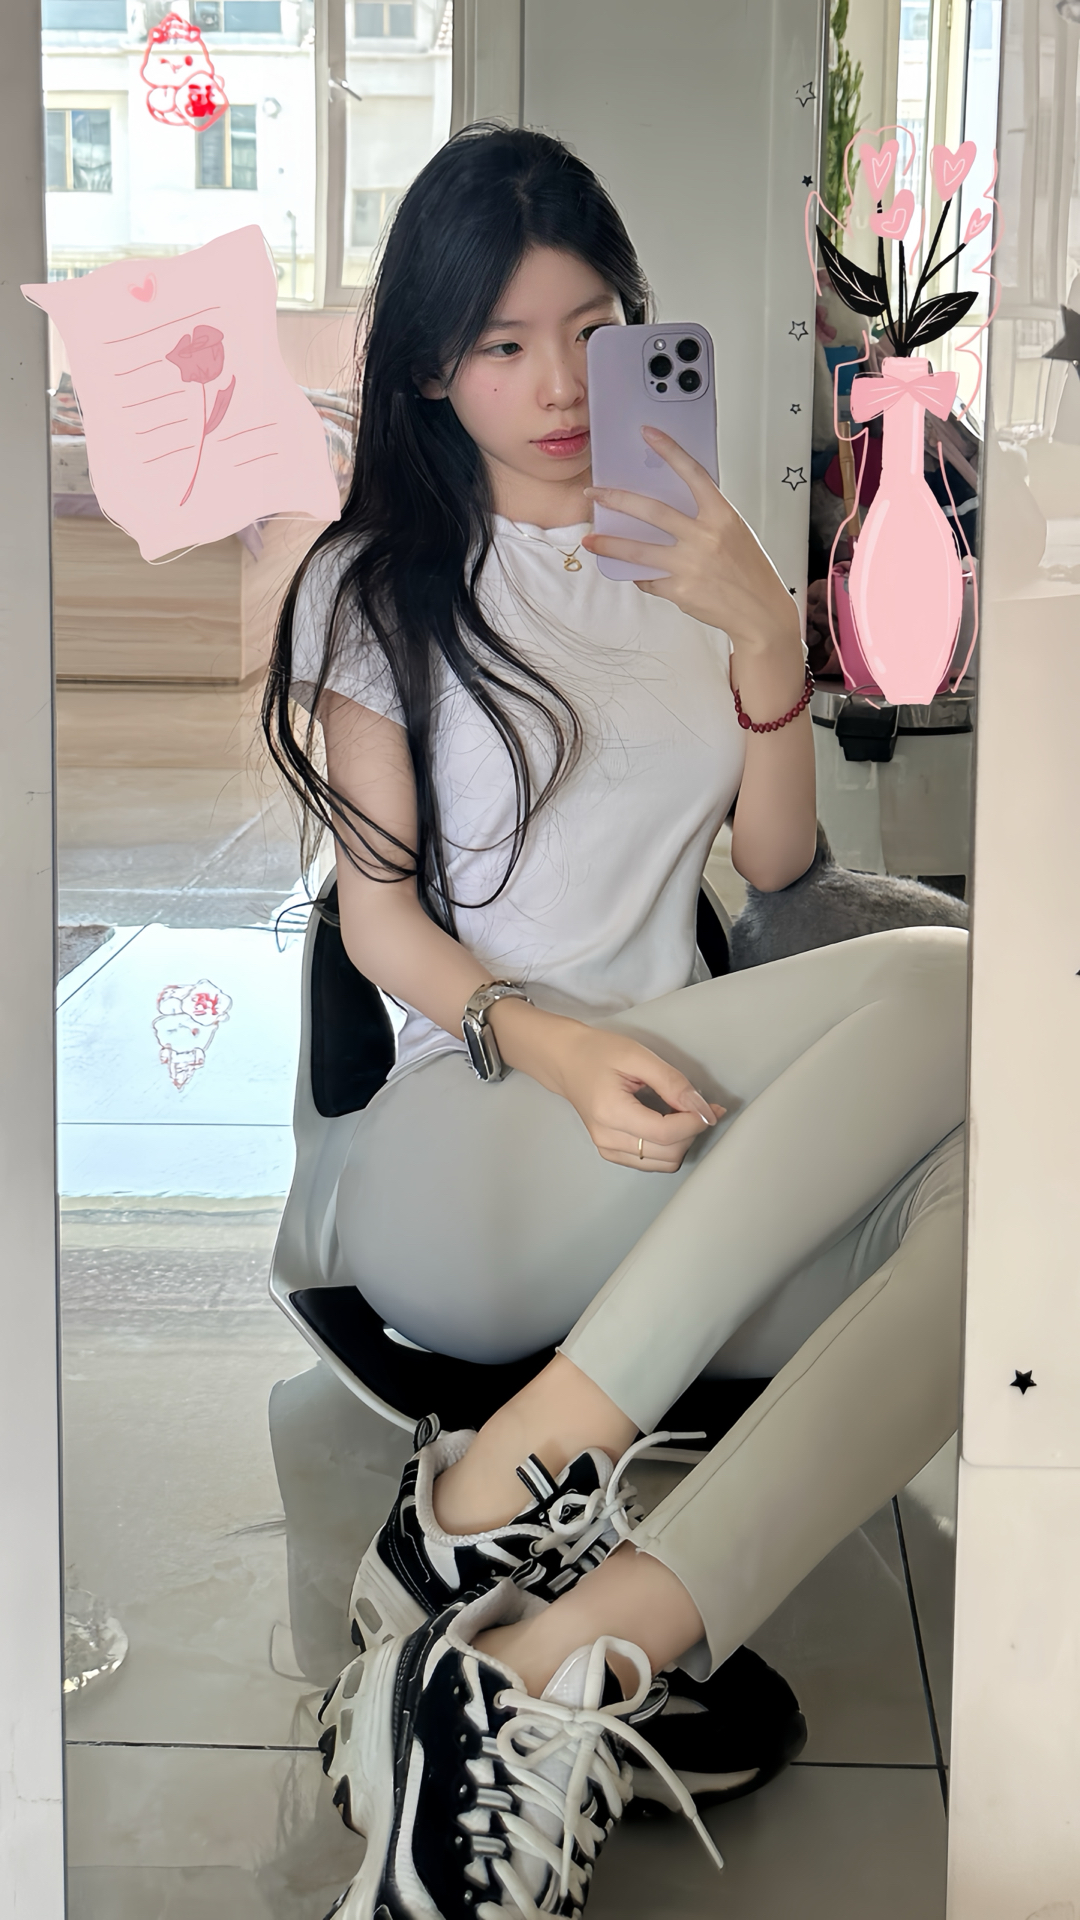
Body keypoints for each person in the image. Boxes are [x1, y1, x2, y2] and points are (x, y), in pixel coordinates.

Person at [264, 123, 966, 1919]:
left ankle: (556, 1669)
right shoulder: (377, 588)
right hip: (482, 1137)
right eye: (504, 345)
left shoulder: (698, 549)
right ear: (433, 371)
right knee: (956, 984)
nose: (564, 385)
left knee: (1011, 1216)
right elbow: (381, 924)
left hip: (687, 1127)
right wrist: (556, 1040)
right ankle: (504, 1481)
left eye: (593, 330)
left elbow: (778, 869)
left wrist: (763, 641)